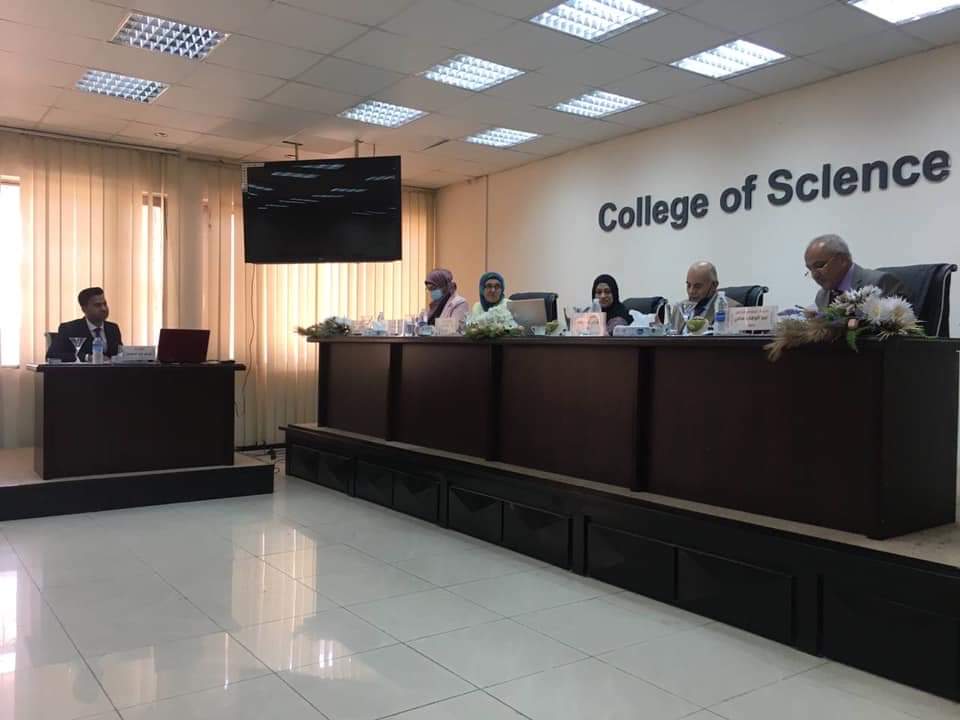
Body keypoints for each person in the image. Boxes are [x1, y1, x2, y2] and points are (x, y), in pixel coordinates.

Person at [805, 234, 907, 309]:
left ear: (842, 260)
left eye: (819, 266)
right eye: (810, 269)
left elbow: (899, 328)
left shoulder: (880, 283)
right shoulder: (822, 296)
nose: (814, 275)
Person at [47, 287, 123, 362]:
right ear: (84, 309)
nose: (103, 308)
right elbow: (52, 355)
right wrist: (87, 357)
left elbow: (120, 354)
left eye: (105, 304)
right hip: (82, 370)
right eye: (97, 305)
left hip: (110, 370)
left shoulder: (113, 328)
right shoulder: (69, 329)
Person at [668, 261, 740, 333]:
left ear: (714, 285)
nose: (691, 291)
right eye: (688, 285)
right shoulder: (679, 308)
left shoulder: (732, 310)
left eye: (697, 286)